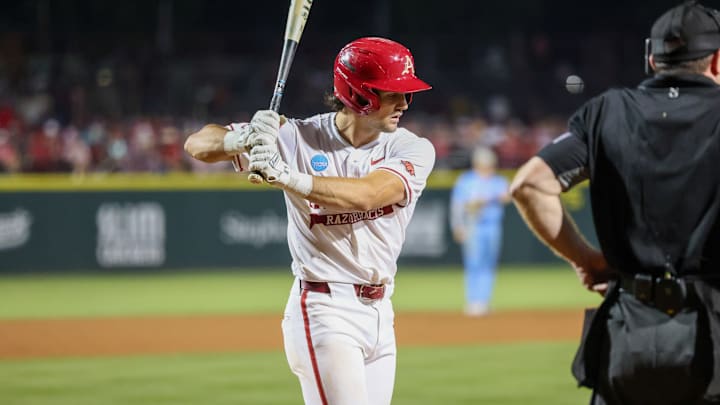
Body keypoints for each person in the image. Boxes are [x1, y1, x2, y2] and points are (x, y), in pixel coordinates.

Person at [184, 37, 435, 405]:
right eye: (393, 93)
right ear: (359, 94)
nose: (404, 103)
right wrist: (243, 138)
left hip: (381, 312)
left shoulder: (411, 148)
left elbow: (369, 193)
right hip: (324, 310)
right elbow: (197, 143)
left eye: (406, 93)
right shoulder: (299, 137)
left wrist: (287, 176)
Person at [509, 2, 720, 404]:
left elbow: (529, 185)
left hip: (629, 332)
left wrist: (585, 259)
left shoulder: (608, 111)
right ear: (718, 60)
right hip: (714, 339)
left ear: (652, 58)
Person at [450, 146, 510, 316]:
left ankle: (484, 301)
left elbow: (507, 196)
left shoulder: (498, 180)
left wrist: (484, 200)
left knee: (489, 264)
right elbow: (458, 206)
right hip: (473, 225)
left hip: (492, 225)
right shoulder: (466, 180)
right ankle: (473, 301)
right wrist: (458, 226)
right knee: (473, 263)